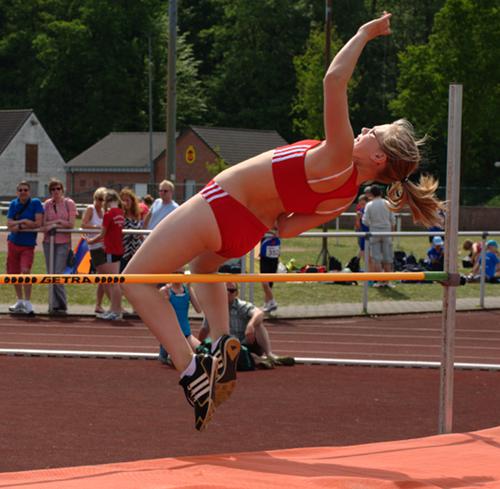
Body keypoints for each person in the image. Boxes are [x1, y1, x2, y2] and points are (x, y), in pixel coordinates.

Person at [122, 12, 443, 431]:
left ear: (378, 158)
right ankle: (221, 342)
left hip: (221, 205)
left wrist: (363, 33)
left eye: (373, 132)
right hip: (246, 232)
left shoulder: (340, 152)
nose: (364, 128)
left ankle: (189, 371)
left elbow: (333, 79)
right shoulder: (345, 196)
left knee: (135, 280)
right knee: (203, 267)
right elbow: (287, 228)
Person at [199, 282, 294, 369]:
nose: (228, 293)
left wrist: (250, 325)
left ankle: (269, 355)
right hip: (230, 347)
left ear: (236, 293)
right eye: (225, 290)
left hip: (247, 342)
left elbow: (259, 313)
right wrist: (198, 347)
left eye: (231, 291)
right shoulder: (214, 308)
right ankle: (258, 360)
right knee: (219, 345)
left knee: (258, 324)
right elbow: (204, 330)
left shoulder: (241, 305)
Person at [6, 181, 44, 315]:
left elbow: (37, 223)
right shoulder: (13, 203)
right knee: (14, 274)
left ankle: (28, 302)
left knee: (25, 271)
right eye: (20, 190)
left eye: (25, 190)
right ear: (17, 192)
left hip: (27, 245)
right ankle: (20, 301)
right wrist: (24, 222)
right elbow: (9, 224)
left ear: (29, 192)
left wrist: (20, 226)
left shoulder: (36, 203)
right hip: (13, 243)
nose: (23, 192)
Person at [87, 190, 125, 320]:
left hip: (111, 250)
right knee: (114, 281)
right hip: (118, 249)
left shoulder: (108, 214)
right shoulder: (120, 213)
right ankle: (115, 309)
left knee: (113, 282)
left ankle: (116, 310)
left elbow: (102, 234)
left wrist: (90, 241)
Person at [42, 178, 78, 314]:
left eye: (58, 188)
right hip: (48, 243)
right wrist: (53, 224)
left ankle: (62, 304)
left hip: (63, 243)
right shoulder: (47, 204)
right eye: (53, 189)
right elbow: (44, 224)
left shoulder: (69, 203)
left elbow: (71, 224)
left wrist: (56, 222)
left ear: (62, 190)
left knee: (57, 273)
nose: (56, 191)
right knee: (50, 274)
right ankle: (53, 304)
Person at [158, 273, 202, 365]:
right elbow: (161, 313)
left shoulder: (187, 290)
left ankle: (172, 351)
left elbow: (198, 310)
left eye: (181, 273)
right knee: (182, 360)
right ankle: (165, 350)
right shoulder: (165, 291)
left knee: (202, 352)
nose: (178, 276)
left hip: (186, 332)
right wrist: (166, 296)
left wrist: (189, 287)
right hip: (171, 333)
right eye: (175, 273)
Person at [362, 184, 396, 287]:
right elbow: (393, 220)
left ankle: (380, 281)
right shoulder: (387, 203)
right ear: (381, 193)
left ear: (371, 194)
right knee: (388, 258)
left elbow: (365, 221)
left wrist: (372, 224)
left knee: (376, 259)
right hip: (386, 232)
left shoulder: (369, 205)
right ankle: (388, 281)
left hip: (374, 232)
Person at [81, 187, 108, 315]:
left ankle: (100, 304)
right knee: (103, 276)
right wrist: (96, 227)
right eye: (98, 199)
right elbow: (83, 224)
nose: (100, 202)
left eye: (102, 199)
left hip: (104, 246)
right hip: (95, 246)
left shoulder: (104, 211)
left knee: (105, 277)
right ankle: (100, 304)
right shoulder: (90, 209)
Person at [119, 188, 144, 273]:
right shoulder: (120, 215)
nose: (125, 203)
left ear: (132, 201)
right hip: (123, 253)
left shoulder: (136, 215)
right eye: (123, 200)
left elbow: (140, 234)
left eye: (127, 200)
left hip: (135, 253)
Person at [259, 233, 281, 313]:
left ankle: (269, 303)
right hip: (265, 258)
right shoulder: (265, 225)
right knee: (265, 283)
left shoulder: (280, 225)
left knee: (268, 284)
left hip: (274, 258)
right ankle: (270, 303)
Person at [354, 194, 370, 267]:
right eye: (360, 204)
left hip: (371, 233)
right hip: (363, 234)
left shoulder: (369, 211)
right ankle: (366, 268)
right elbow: (358, 226)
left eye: (363, 204)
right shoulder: (359, 211)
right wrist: (357, 218)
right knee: (363, 251)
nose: (362, 205)